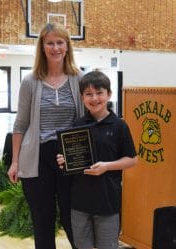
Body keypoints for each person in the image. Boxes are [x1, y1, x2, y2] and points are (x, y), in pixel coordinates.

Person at [7, 23, 84, 249]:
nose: (55, 47)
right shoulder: (30, 81)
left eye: (60, 42)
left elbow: (88, 120)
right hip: (38, 157)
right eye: (49, 43)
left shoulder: (79, 79)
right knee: (42, 222)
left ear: (67, 46)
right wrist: (15, 161)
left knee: (73, 220)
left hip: (68, 157)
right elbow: (20, 124)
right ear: (42, 47)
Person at [57, 70, 138, 249]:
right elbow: (69, 160)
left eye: (99, 93)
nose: (94, 98)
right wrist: (64, 159)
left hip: (107, 202)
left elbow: (132, 160)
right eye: (88, 94)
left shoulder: (119, 126)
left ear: (109, 94)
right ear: (82, 97)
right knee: (81, 245)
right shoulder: (77, 124)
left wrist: (107, 166)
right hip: (79, 202)